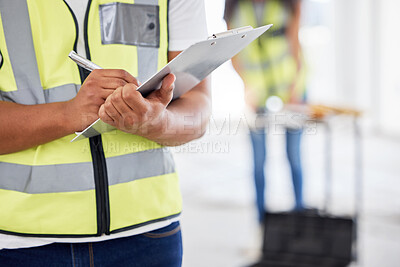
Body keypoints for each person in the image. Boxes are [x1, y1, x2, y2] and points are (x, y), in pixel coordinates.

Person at [0, 0, 210, 266]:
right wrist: (67, 114)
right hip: (22, 241)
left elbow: (199, 109)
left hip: (149, 234)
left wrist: (156, 123)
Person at [224, 0, 307, 223]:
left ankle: (300, 219)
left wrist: (294, 89)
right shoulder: (235, 8)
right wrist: (247, 88)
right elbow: (234, 53)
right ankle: (263, 227)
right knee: (258, 163)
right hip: (257, 95)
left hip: (291, 89)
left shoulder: (287, 4)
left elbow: (294, 43)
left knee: (294, 157)